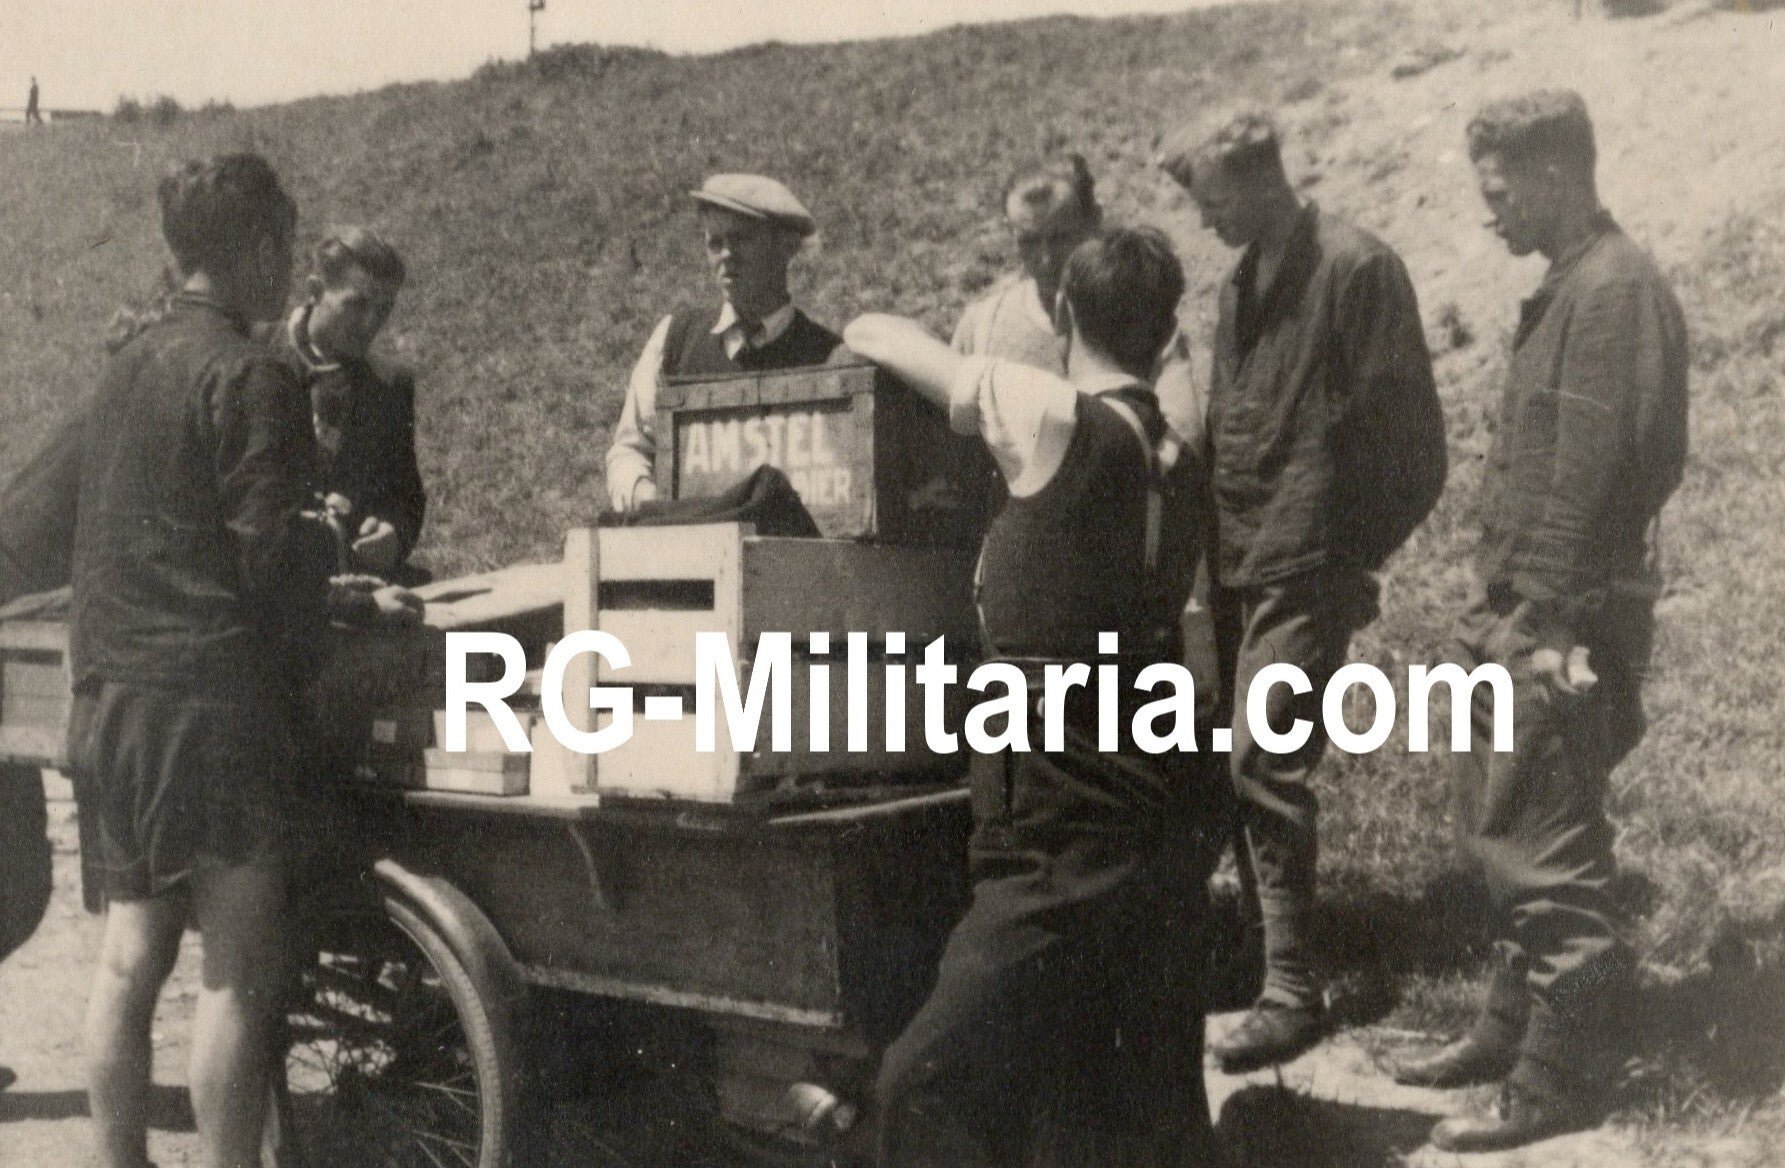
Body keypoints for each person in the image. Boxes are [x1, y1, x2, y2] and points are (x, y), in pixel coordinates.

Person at [849, 226, 1226, 1167]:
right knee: (1103, 1092)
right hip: (1152, 805)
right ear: (1167, 333)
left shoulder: (1052, 415)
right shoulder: (1177, 460)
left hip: (1054, 819)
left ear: (1059, 314)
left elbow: (874, 332)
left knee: (918, 1085)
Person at [68, 152, 416, 1168]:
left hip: (118, 700)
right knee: (236, 971)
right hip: (213, 712)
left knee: (129, 959)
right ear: (261, 248)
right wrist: (336, 568)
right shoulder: (253, 369)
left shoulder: (127, 361)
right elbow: (274, 558)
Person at [1390, 90, 1688, 1153]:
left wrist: (1545, 624)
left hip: (1557, 621)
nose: (1487, 212)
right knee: (1500, 828)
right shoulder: (1573, 287)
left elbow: (1601, 479)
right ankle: (1510, 1031)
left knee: (1542, 844)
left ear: (1558, 173)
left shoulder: (1614, 294)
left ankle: (1562, 1079)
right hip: (1516, 610)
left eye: (1501, 187)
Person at [1157, 110, 1446, 1072]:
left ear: (1256, 179)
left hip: (1305, 562)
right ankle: (1267, 960)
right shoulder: (1238, 283)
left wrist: (1347, 555)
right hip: (1240, 561)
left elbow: (1413, 449)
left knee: (1263, 764)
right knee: (1236, 761)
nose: (1202, 224)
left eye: (1210, 203)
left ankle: (1292, 991)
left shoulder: (1358, 270)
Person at [603, 173, 843, 511]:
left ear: (785, 247)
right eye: (715, 243)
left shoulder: (831, 358)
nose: (726, 255)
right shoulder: (675, 340)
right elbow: (629, 451)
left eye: (742, 239)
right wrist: (651, 501)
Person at [265, 226, 426, 578]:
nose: (371, 323)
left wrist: (393, 534)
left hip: (361, 585)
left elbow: (405, 496)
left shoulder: (389, 384)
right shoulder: (254, 358)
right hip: (269, 585)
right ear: (315, 291)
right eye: (357, 305)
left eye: (383, 309)